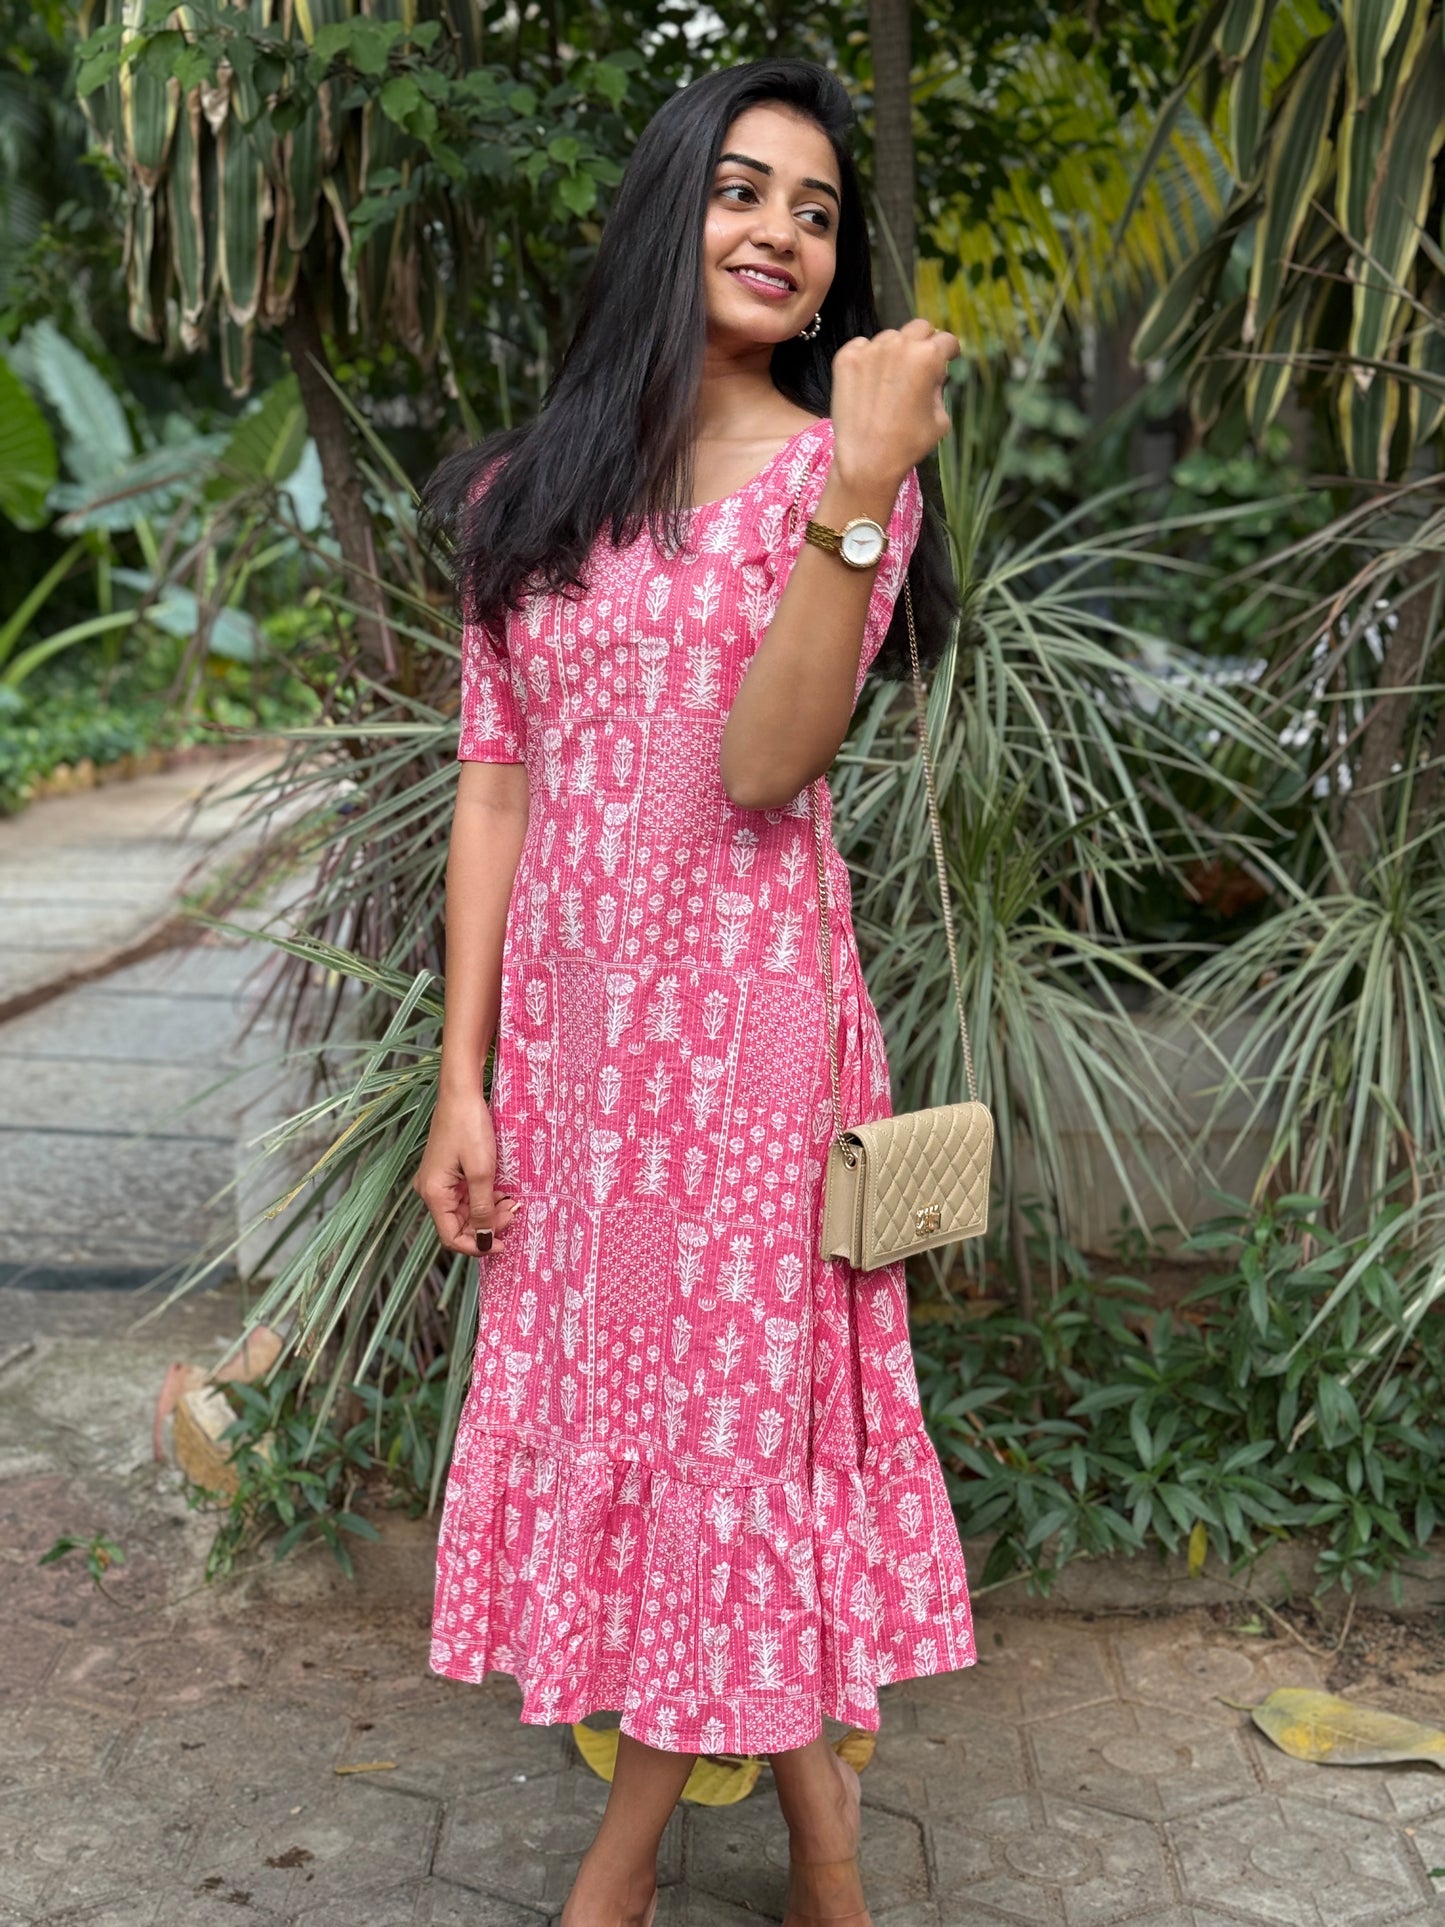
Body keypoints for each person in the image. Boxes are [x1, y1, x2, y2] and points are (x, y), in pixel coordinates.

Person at [413, 55, 974, 1927]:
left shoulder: (840, 473)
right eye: (745, 192)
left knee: (724, 1431)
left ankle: (618, 1873)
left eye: (817, 213)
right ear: (674, 211)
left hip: (748, 1036)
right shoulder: (524, 489)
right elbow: (498, 782)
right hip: (575, 1058)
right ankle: (824, 1854)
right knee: (644, 1423)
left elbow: (764, 763)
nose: (782, 236)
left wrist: (870, 478)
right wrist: (461, 1081)